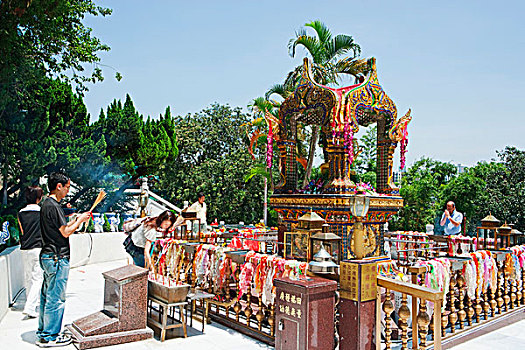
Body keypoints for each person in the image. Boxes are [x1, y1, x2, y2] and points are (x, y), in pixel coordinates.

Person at [37, 173, 91, 347]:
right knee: (56, 298)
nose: (68, 190)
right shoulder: (53, 206)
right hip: (57, 257)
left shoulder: (47, 204)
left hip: (48, 256)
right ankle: (50, 336)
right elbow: (65, 232)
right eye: (67, 187)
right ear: (58, 186)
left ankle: (43, 333)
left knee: (47, 296)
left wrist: (75, 219)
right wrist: (80, 220)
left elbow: (61, 227)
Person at [17, 186, 44, 319]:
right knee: (38, 278)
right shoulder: (41, 211)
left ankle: (30, 304)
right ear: (39, 198)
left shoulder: (21, 212)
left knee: (28, 277)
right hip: (38, 247)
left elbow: (22, 231)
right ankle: (30, 307)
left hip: (24, 248)